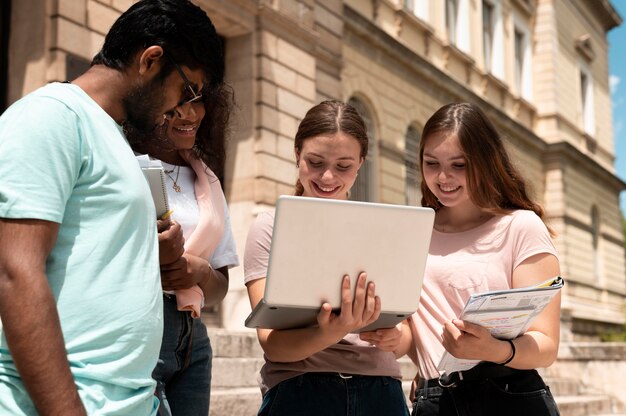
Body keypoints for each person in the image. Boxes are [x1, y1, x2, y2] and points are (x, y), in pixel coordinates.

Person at [0, 1, 224, 415]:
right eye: (186, 89)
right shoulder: (52, 116)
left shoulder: (113, 137)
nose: (180, 108)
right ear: (151, 60)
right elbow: (15, 271)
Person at [243, 100, 412, 416]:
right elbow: (272, 343)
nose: (328, 177)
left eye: (344, 166)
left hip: (381, 392)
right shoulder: (271, 228)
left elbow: (406, 337)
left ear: (361, 162)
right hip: (301, 390)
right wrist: (332, 330)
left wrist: (395, 338)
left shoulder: (386, 229)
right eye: (315, 162)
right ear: (297, 155)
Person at [408, 102, 561, 416]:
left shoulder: (521, 226)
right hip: (434, 400)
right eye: (431, 162)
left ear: (486, 161)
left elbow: (546, 346)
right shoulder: (413, 231)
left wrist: (492, 349)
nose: (443, 177)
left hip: (508, 396)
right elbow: (414, 330)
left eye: (459, 165)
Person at [127, 81, 239, 416]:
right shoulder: (121, 163)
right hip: (139, 326)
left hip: (194, 341)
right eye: (178, 103)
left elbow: (220, 286)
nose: (190, 113)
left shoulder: (207, 179)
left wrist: (199, 271)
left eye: (199, 101)